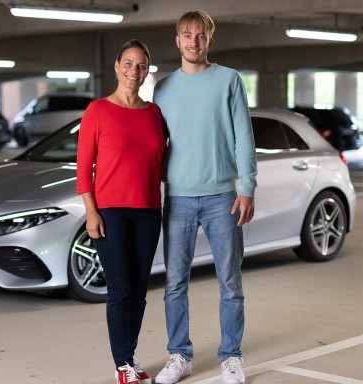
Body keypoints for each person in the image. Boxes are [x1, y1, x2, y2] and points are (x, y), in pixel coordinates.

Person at [152, 10, 257, 384]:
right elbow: (155, 143)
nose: (193, 41)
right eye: (187, 35)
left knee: (230, 282)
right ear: (177, 40)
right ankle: (179, 355)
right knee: (174, 283)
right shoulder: (163, 88)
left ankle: (231, 356)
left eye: (200, 35)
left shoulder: (229, 80)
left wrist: (247, 188)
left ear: (210, 40)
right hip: (177, 198)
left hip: (222, 197)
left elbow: (243, 137)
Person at [76, 39, 165, 384]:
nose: (134, 70)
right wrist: (91, 212)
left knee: (139, 291)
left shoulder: (153, 113)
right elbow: (84, 168)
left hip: (148, 211)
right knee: (120, 289)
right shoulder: (97, 110)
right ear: (116, 67)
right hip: (111, 212)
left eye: (141, 65)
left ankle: (129, 354)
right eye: (128, 63)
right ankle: (121, 363)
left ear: (147, 71)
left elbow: (161, 161)